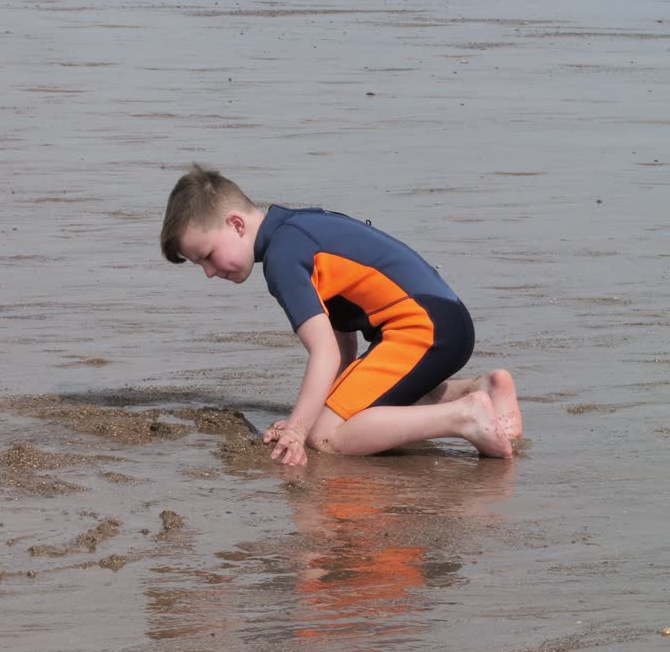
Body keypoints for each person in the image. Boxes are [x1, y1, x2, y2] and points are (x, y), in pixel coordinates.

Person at [160, 164, 523, 466]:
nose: (208, 272)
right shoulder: (300, 226)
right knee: (359, 409)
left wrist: (300, 430)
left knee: (327, 437)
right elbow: (343, 350)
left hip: (421, 329)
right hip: (446, 319)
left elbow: (325, 353)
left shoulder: (283, 260)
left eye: (207, 255)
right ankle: (483, 390)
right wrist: (311, 412)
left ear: (236, 224)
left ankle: (464, 415)